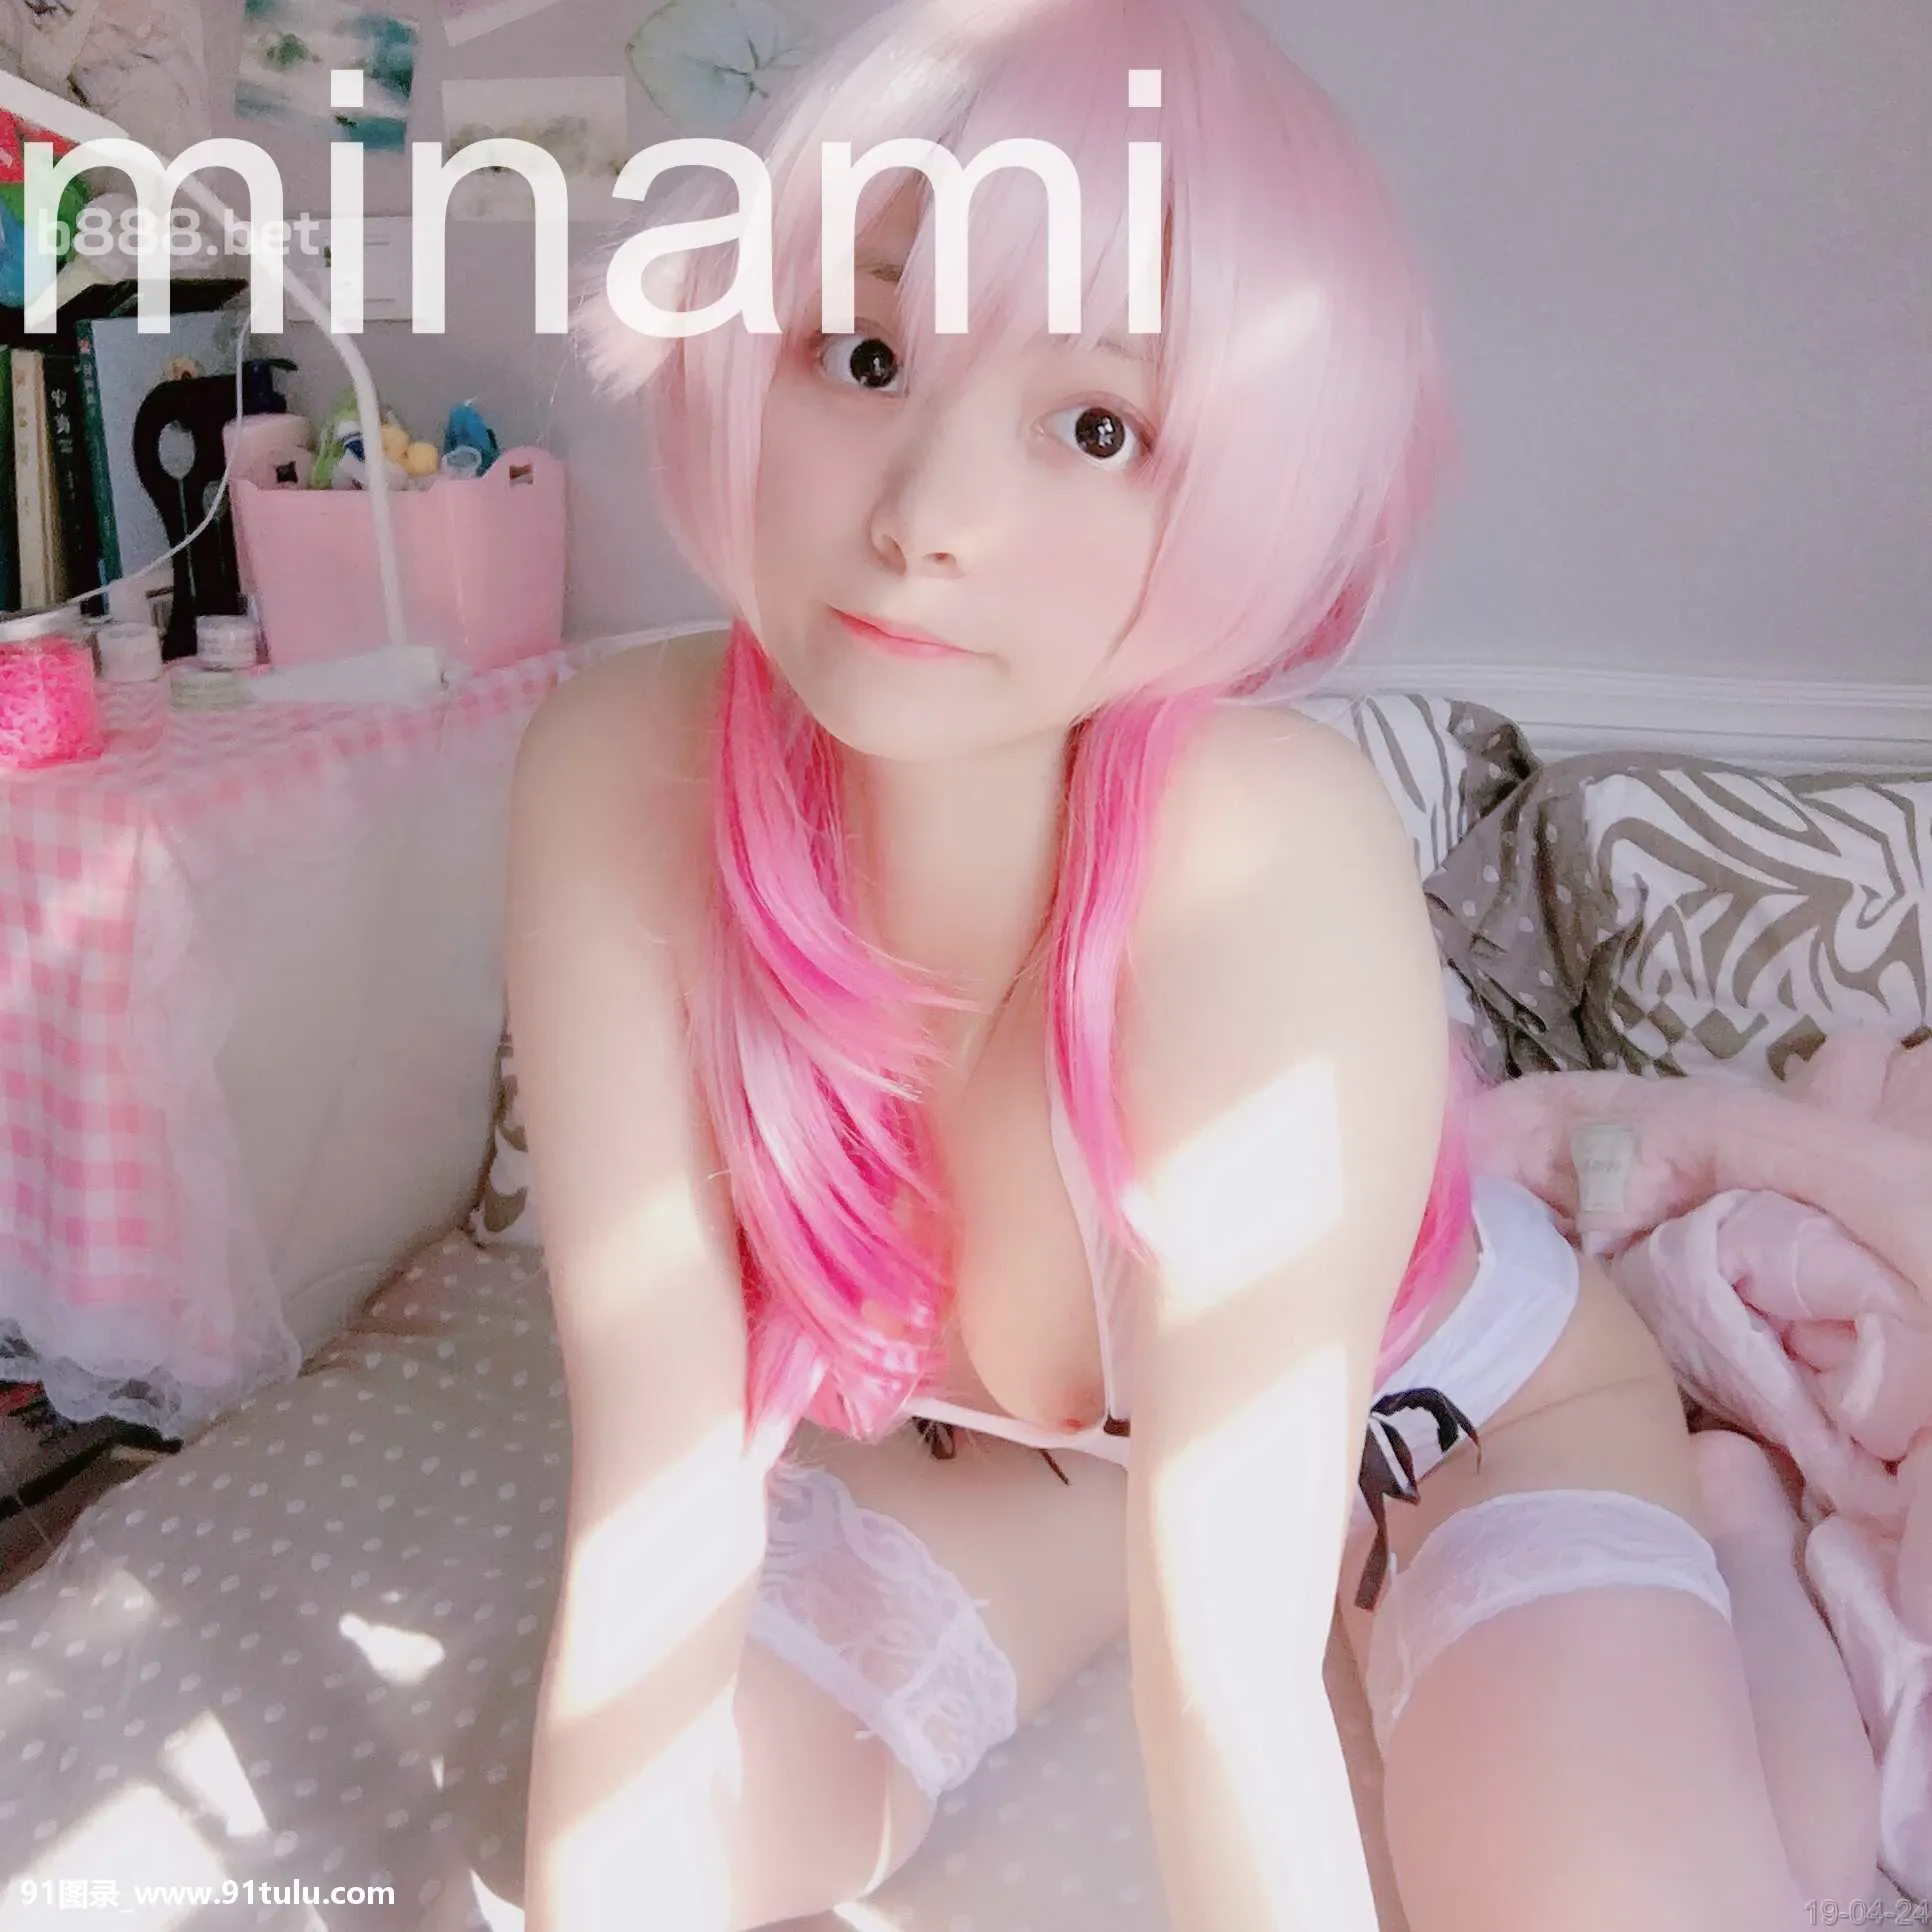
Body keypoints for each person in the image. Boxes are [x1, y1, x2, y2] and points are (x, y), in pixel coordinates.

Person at [508, 1, 1874, 1926]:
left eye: (1097, 425)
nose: (922, 520)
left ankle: (1725, 1538)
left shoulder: (1258, 853)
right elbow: (656, 1476)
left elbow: (1226, 1690)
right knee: (665, 1851)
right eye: (865, 354)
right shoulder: (617, 775)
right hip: (1050, 1464)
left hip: (1452, 1431)